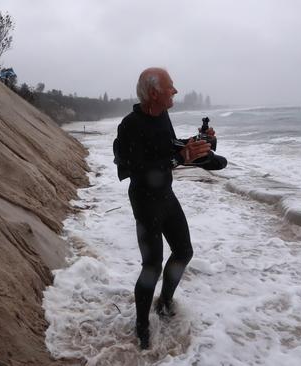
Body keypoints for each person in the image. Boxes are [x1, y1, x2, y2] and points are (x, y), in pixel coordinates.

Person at [114, 67, 217, 350]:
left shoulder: (163, 116)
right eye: (171, 87)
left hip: (166, 196)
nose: (176, 91)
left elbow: (168, 147)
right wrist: (178, 159)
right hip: (145, 201)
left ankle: (165, 301)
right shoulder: (129, 125)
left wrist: (200, 143)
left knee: (184, 251)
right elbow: (133, 168)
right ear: (155, 92)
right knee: (151, 266)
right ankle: (141, 324)